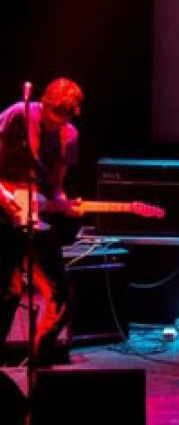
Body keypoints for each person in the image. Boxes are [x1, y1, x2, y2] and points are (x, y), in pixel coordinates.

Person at [0, 78, 84, 366]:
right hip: (4, 210)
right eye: (52, 113)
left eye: (62, 117)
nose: (55, 121)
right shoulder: (19, 114)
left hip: (35, 217)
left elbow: (56, 188)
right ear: (44, 102)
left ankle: (39, 359)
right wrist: (4, 197)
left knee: (61, 298)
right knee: (8, 291)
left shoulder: (69, 136)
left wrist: (64, 205)